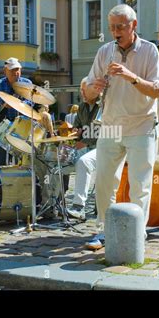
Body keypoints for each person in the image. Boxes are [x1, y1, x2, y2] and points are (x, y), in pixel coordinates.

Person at [84, 4, 159, 250]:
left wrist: (130, 76)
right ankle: (105, 230)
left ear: (134, 25)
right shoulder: (104, 51)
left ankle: (137, 232)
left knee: (141, 184)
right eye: (112, 27)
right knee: (105, 181)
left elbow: (157, 90)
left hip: (141, 124)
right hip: (110, 124)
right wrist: (92, 89)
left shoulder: (150, 51)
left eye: (121, 27)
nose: (115, 32)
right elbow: (87, 96)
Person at [0, 57, 35, 165]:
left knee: (21, 160)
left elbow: (32, 102)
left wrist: (19, 104)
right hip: (3, 125)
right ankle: (2, 180)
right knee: (1, 160)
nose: (16, 73)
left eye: (18, 70)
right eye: (12, 70)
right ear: (5, 71)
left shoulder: (27, 83)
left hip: (22, 125)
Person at [66, 77, 100, 221]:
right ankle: (55, 204)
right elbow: (78, 126)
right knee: (59, 162)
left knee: (83, 162)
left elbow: (102, 128)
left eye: (84, 90)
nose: (82, 93)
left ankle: (79, 207)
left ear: (94, 90)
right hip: (85, 146)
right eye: (81, 90)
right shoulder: (82, 106)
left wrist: (84, 141)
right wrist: (76, 132)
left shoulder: (103, 104)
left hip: (102, 145)